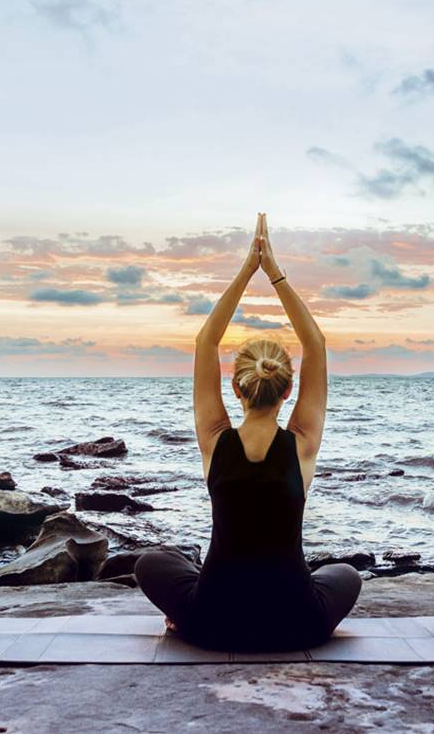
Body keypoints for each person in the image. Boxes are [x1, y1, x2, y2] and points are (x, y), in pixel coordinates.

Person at [134, 212, 362, 652]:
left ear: (235, 387)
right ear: (289, 388)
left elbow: (205, 342)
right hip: (297, 622)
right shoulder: (302, 444)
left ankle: (186, 610)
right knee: (345, 574)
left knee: (152, 561)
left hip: (213, 622)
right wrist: (273, 272)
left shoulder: (215, 439)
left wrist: (247, 269)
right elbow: (315, 343)